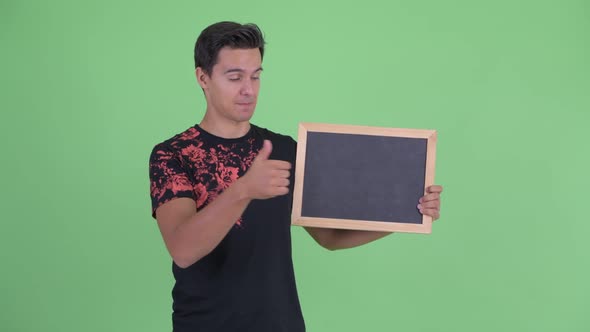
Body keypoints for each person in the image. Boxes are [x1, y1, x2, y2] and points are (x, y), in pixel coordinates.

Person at [148, 21, 443, 332]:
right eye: (234, 77)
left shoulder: (285, 150)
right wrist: (243, 189)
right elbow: (182, 249)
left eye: (256, 76)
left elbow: (329, 237)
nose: (249, 89)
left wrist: (408, 213)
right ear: (203, 77)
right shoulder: (172, 155)